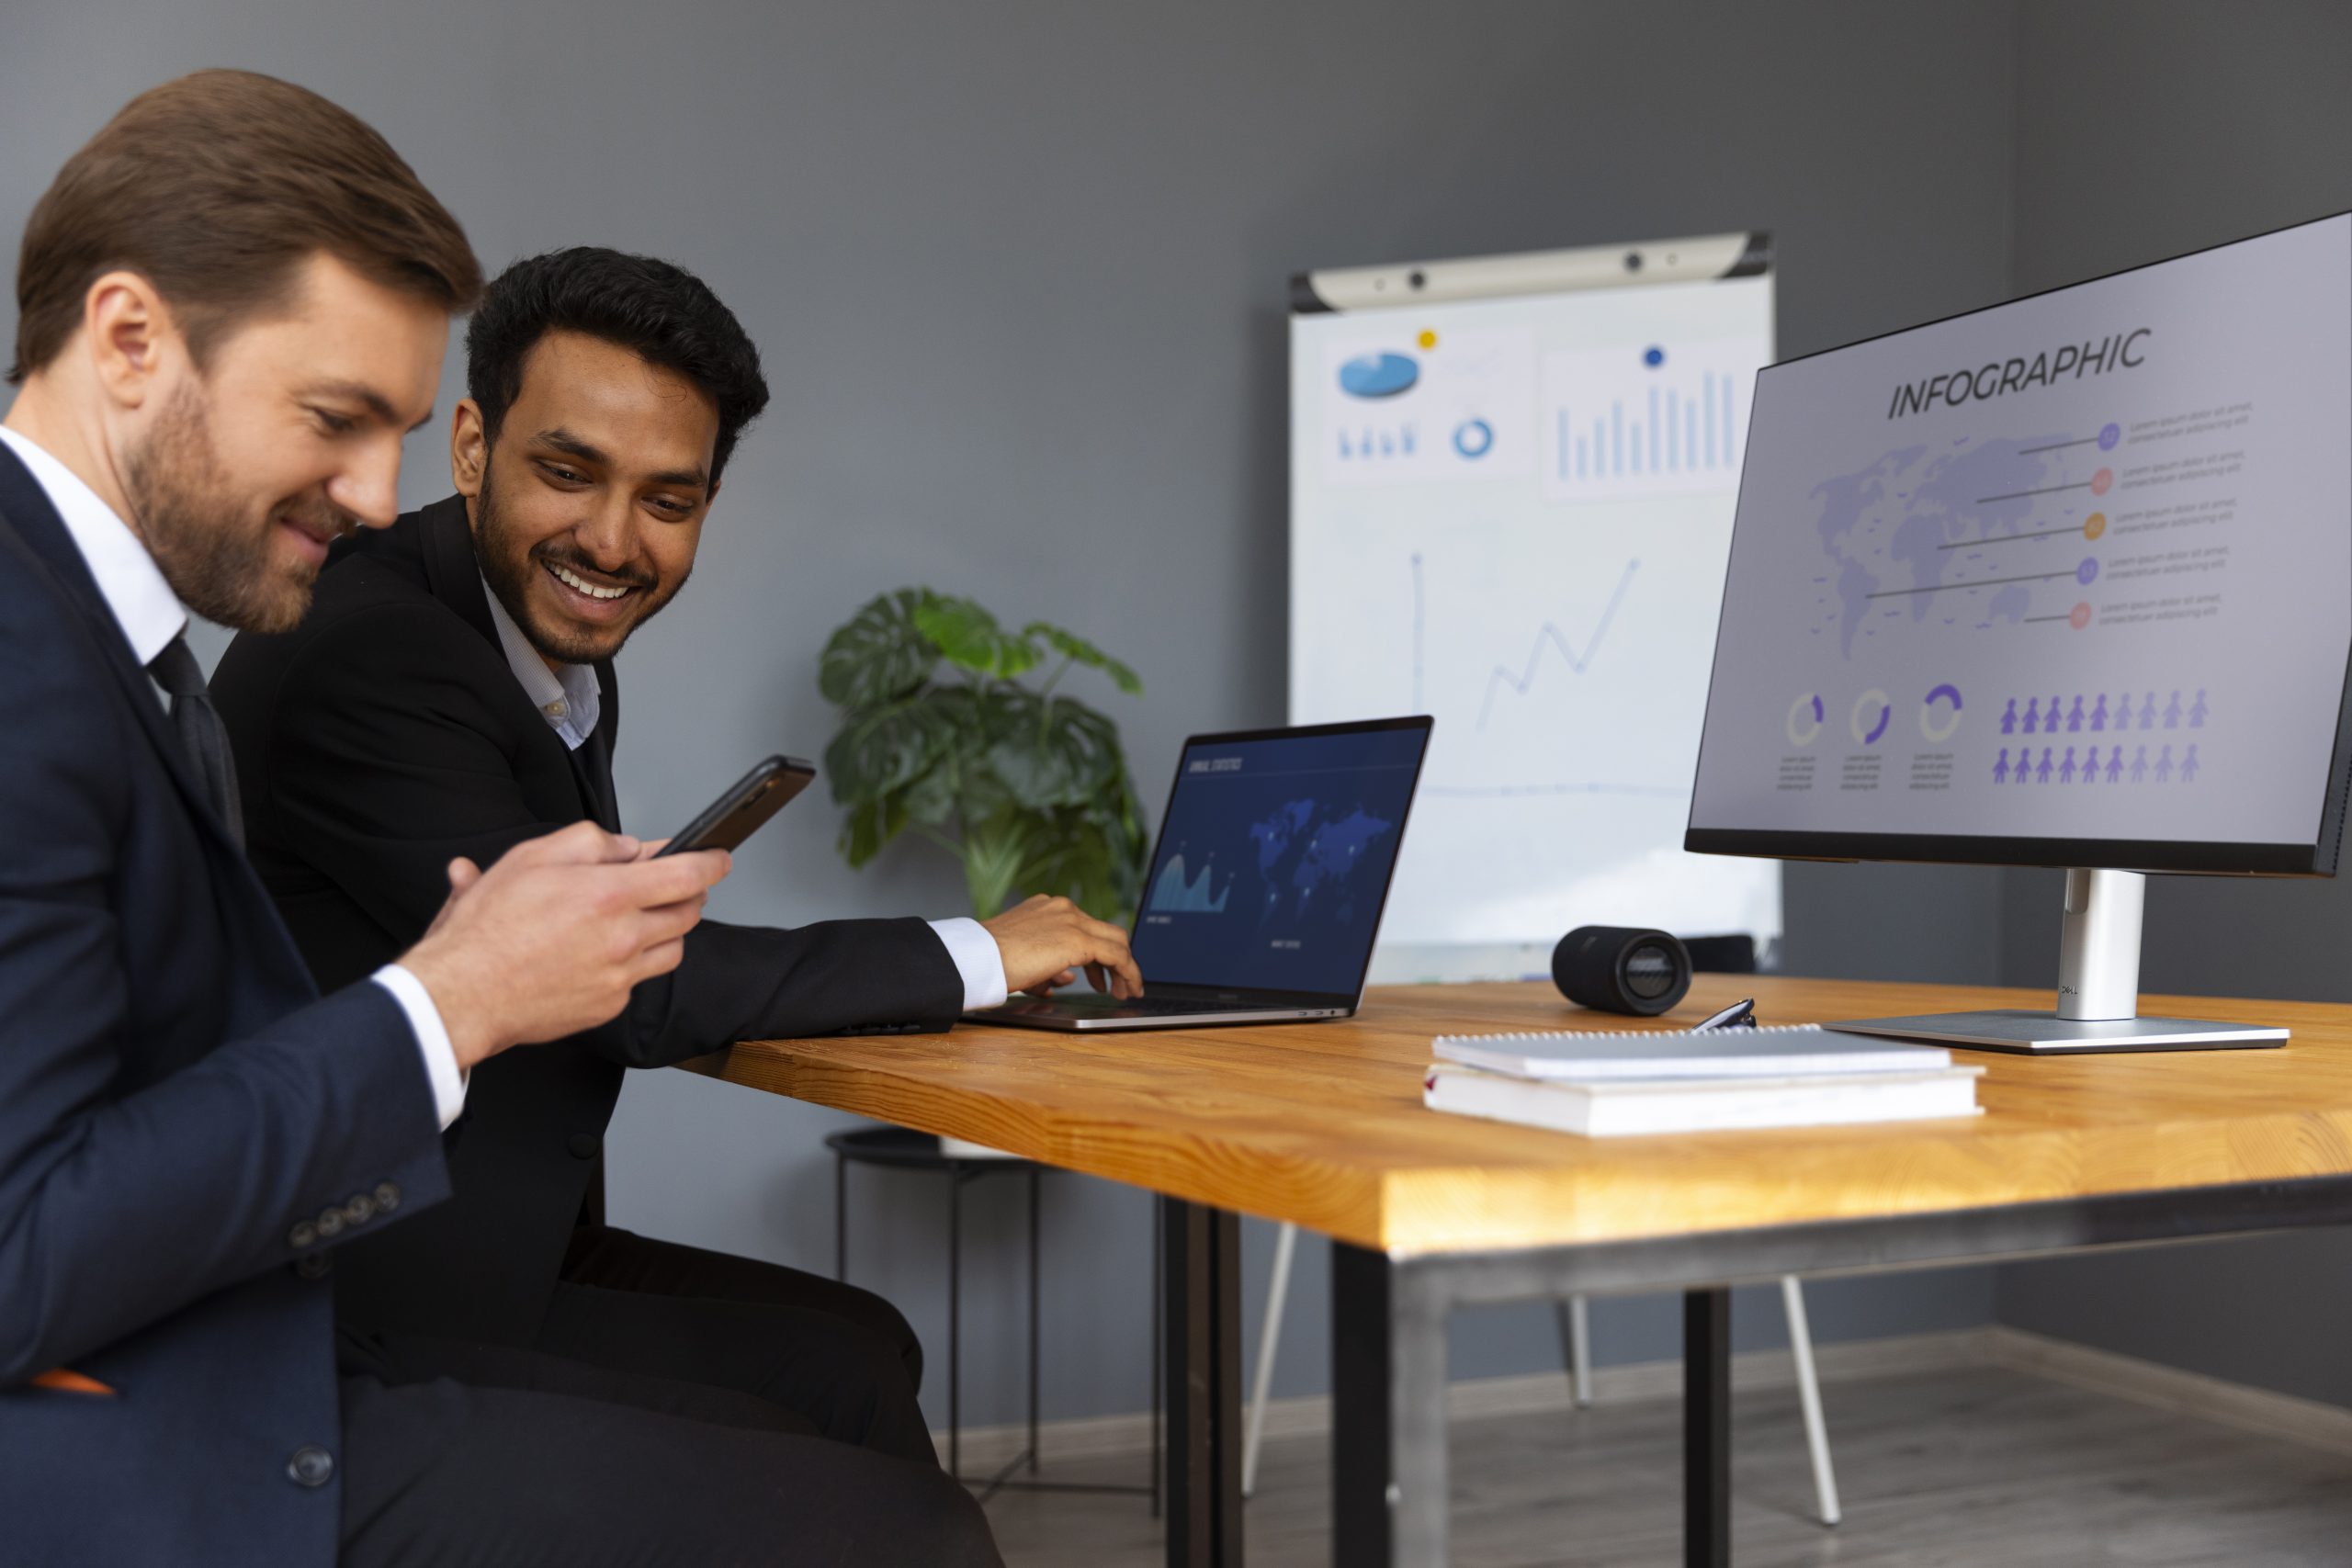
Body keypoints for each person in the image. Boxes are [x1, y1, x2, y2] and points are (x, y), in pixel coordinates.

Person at [0, 70, 996, 1566]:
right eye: (337, 419)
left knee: (855, 1402)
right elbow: (21, 1253)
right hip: (164, 1429)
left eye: (394, 431)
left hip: (242, 1327)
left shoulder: (96, 634)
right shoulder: (29, 654)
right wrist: (447, 1003)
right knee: (901, 1530)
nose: (368, 493)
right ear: (131, 339)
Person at [210, 245, 1141, 1465]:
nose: (611, 540)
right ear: (474, 448)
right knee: (854, 1452)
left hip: (482, 1236)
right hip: (351, 1301)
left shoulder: (537, 652)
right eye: (566, 473)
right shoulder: (378, 653)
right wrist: (976, 948)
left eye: (668, 499)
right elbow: (627, 988)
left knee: (864, 1351)